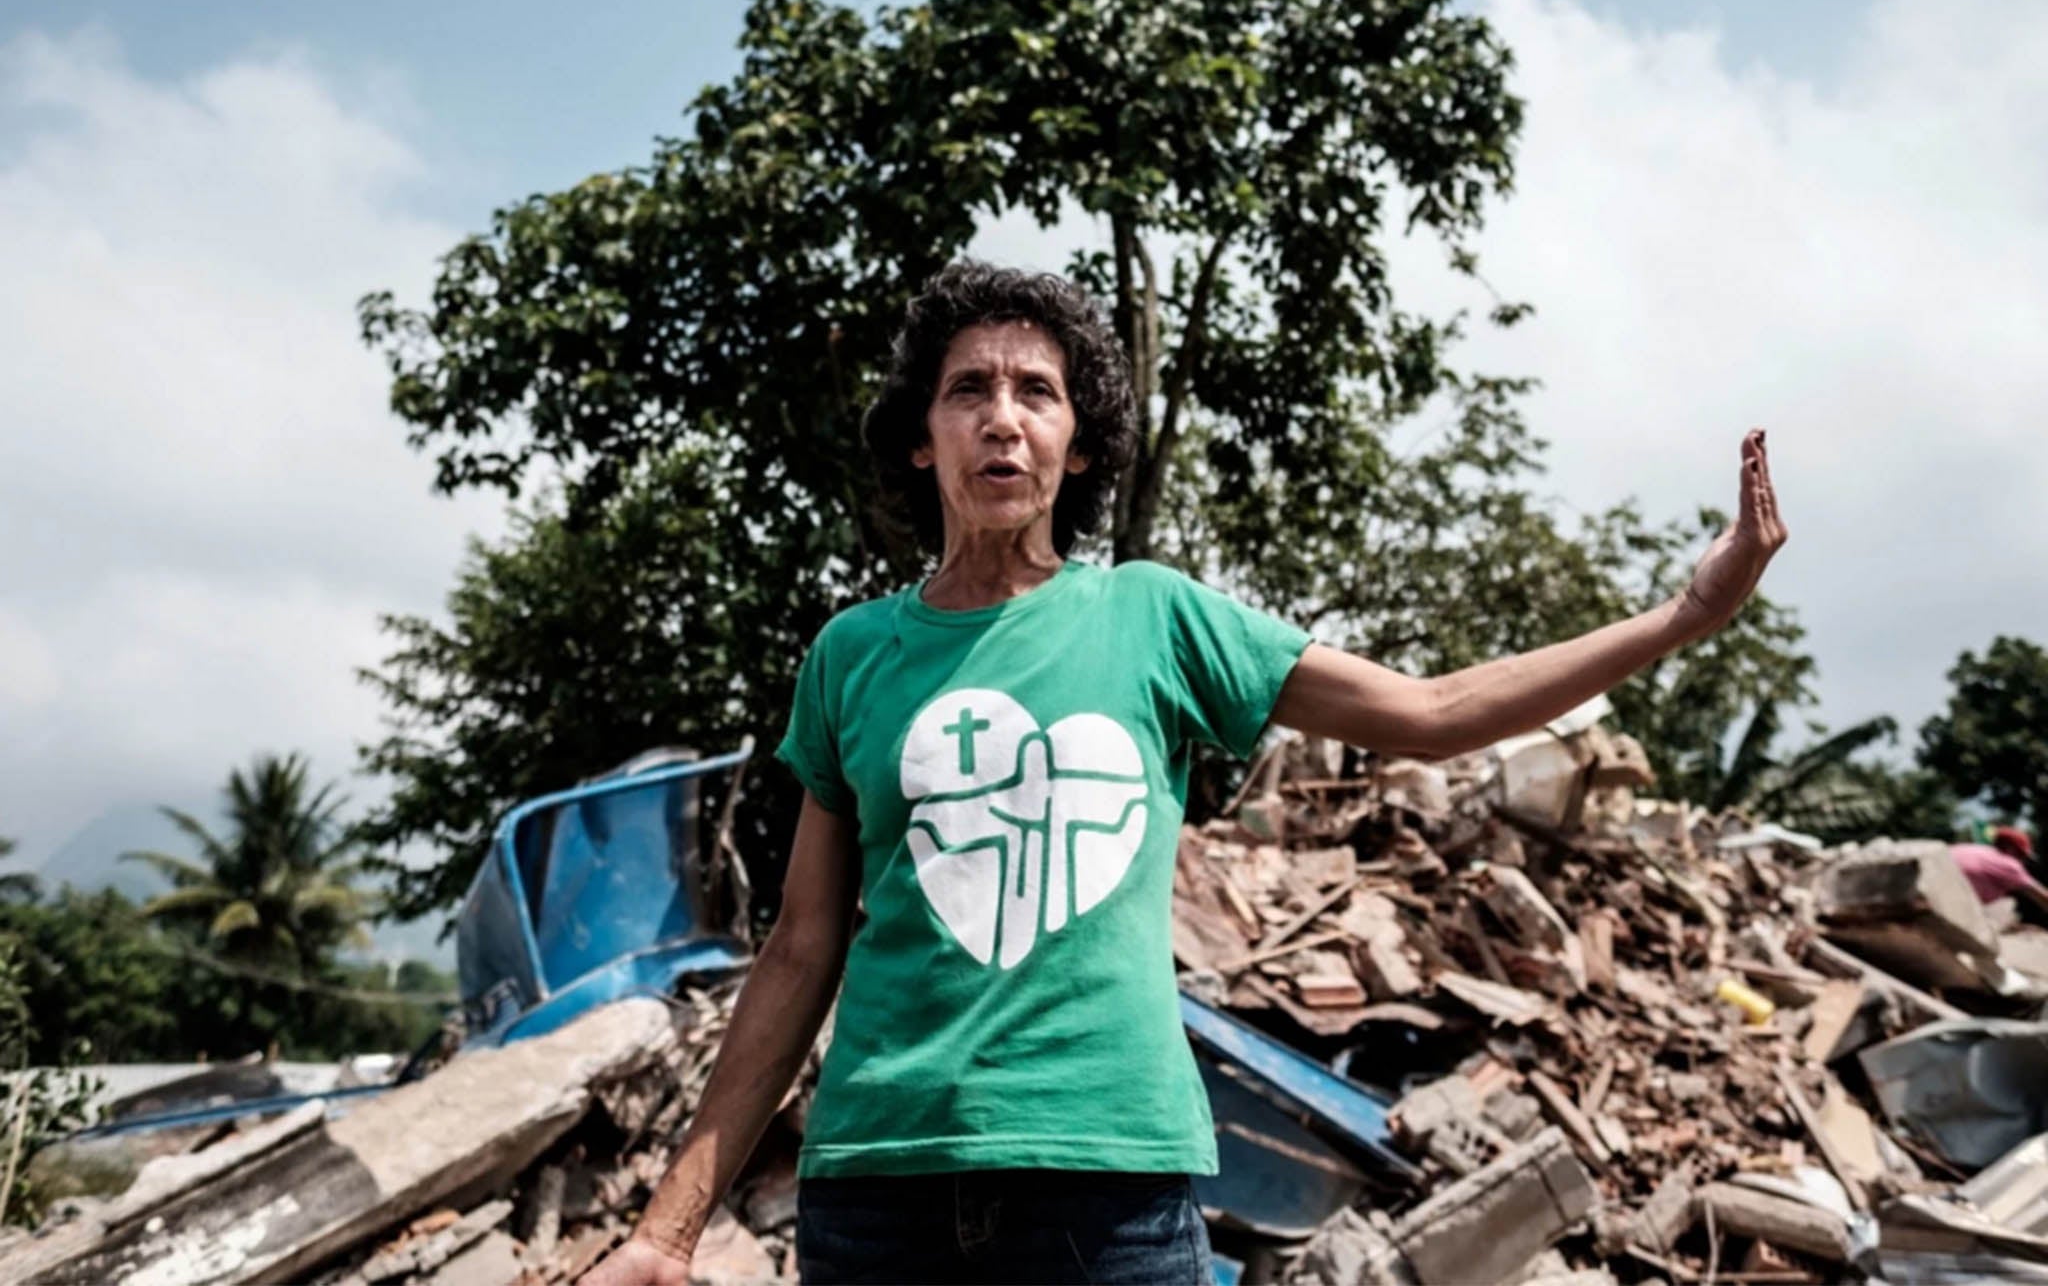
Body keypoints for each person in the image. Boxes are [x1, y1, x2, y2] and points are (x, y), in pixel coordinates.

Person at [584, 263, 1788, 1286]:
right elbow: (801, 948)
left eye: (1035, 393)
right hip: (880, 1195)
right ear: (921, 437)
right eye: (968, 391)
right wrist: (665, 1229)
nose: (1002, 418)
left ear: (1079, 439)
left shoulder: (1155, 619)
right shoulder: (852, 657)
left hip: (1104, 1197)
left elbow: (1426, 714)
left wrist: (1680, 613)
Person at [1952, 826, 2048, 910]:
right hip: (1948, 902)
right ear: (2010, 848)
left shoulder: (1972, 848)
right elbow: (2043, 898)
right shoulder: (2009, 864)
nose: (2022, 862)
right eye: (2022, 856)